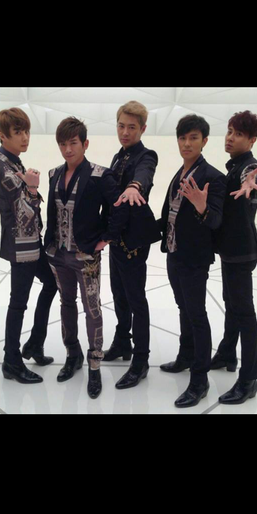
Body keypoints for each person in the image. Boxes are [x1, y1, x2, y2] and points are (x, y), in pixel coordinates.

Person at [44, 117, 131, 399]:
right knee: (66, 304)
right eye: (62, 144)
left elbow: (119, 207)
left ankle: (95, 364)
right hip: (59, 254)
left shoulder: (99, 175)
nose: (67, 149)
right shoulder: (54, 173)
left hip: (86, 255)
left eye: (73, 143)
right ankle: (73, 354)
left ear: (85, 144)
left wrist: (106, 238)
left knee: (92, 307)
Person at [159, 115, 227, 408]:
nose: (186, 143)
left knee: (197, 315)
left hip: (194, 258)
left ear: (204, 141)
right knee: (183, 308)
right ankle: (186, 356)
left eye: (193, 138)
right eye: (182, 138)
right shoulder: (180, 172)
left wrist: (202, 207)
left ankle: (200, 380)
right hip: (174, 253)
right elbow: (170, 215)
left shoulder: (213, 177)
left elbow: (216, 221)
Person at [0, 108, 58, 385]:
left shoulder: (12, 160)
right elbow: (23, 212)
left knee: (51, 283)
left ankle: (34, 344)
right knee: (18, 303)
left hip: (30, 242)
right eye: (18, 132)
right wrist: (32, 188)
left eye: (26, 131)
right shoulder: (2, 166)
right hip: (20, 246)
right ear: (3, 135)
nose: (25, 137)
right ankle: (12, 361)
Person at [103, 101, 161, 389]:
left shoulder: (146, 156)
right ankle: (122, 342)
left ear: (143, 129)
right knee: (118, 294)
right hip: (116, 237)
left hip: (134, 241)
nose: (125, 132)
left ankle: (141, 360)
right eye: (121, 126)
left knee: (136, 298)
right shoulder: (119, 156)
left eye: (131, 127)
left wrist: (134, 186)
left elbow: (144, 175)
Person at [212, 110, 257, 405]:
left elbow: (253, 177)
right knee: (231, 304)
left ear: (252, 140)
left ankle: (248, 379)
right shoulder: (234, 165)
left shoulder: (249, 167)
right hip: (231, 250)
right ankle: (226, 353)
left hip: (242, 252)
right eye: (230, 131)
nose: (230, 138)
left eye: (239, 134)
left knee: (244, 312)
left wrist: (248, 185)